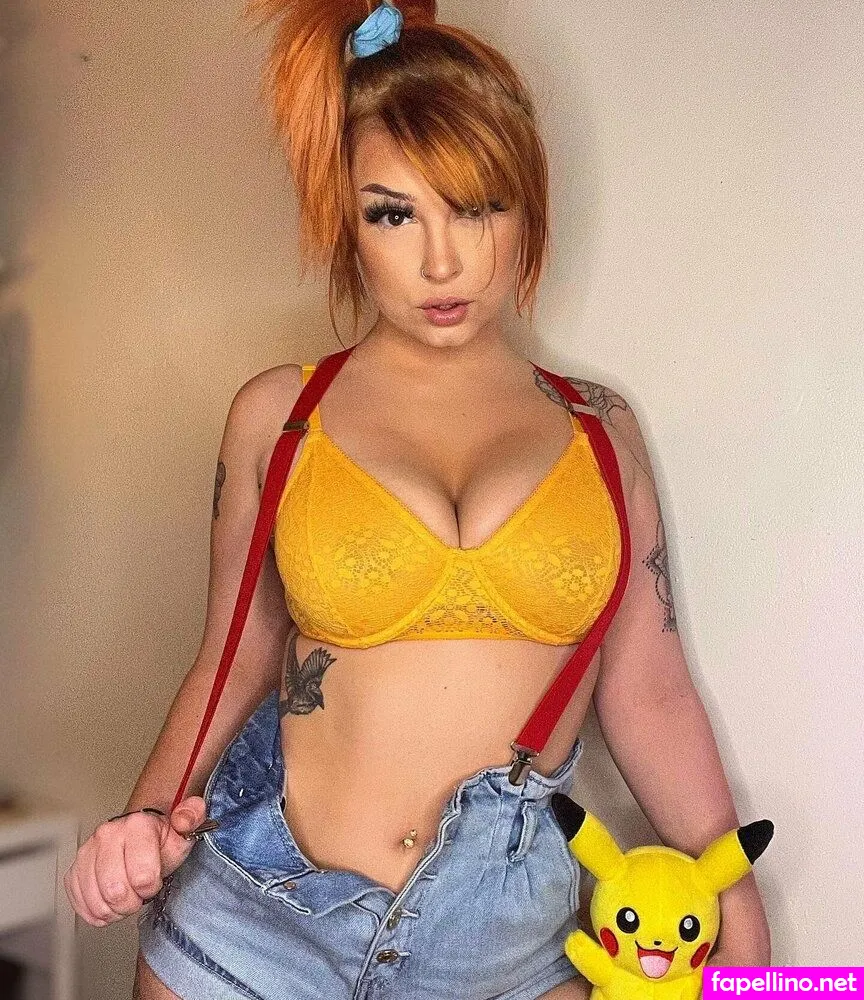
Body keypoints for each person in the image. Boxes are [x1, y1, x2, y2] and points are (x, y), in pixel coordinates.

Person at [63, 1, 771, 997]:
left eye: (477, 207)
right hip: (254, 924)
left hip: (504, 949)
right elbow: (232, 654)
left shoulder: (601, 432)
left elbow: (648, 688)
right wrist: (142, 824)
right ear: (345, 220)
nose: (443, 261)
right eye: (393, 214)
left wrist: (735, 894)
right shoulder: (281, 415)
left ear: (528, 207)